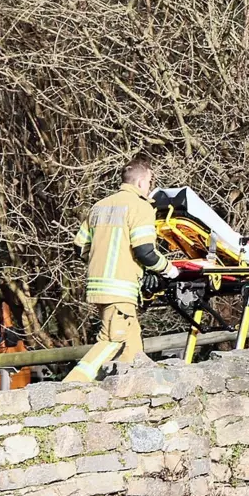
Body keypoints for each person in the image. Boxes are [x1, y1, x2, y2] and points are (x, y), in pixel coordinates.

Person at [65, 157, 179, 382]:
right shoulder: (140, 206)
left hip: (99, 287)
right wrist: (169, 270)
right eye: (149, 183)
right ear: (140, 183)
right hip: (121, 287)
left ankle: (134, 391)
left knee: (132, 346)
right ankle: (70, 387)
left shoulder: (99, 207)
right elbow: (145, 251)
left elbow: (79, 247)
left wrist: (100, 259)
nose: (149, 188)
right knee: (112, 339)